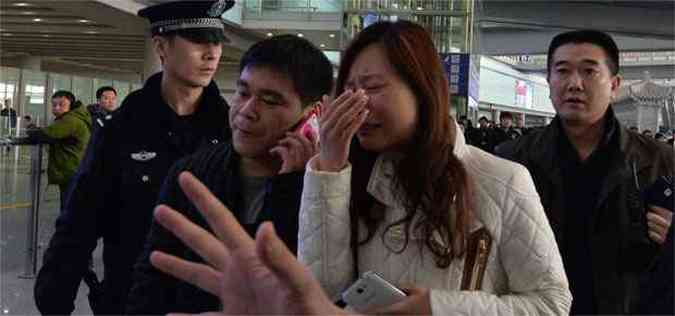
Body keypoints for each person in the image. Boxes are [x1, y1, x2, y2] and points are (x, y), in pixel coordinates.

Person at [299, 21, 570, 315]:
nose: (357, 104)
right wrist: (329, 168)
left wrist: (439, 308)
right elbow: (324, 290)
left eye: (373, 87)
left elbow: (551, 303)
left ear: (421, 88)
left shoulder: (502, 180)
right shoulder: (347, 176)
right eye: (349, 90)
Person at [33, 1, 235, 314]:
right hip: (130, 299)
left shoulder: (230, 131)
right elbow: (79, 222)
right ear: (161, 47)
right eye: (198, 41)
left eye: (217, 42)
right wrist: (54, 299)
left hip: (207, 303)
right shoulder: (123, 129)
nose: (212, 54)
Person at [126, 34, 333, 315]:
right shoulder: (193, 171)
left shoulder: (326, 186)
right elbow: (151, 280)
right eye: (243, 92)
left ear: (313, 112)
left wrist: (293, 186)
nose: (246, 111)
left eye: (271, 101)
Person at [496, 30, 674, 314]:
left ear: (614, 85)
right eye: (562, 71)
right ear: (549, 81)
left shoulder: (661, 161)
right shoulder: (511, 160)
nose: (574, 84)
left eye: (589, 72)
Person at [25, 91, 91, 211]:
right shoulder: (72, 118)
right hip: (74, 169)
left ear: (71, 105)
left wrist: (31, 130)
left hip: (71, 171)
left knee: (68, 209)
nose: (57, 108)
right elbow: (53, 132)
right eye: (54, 105)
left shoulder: (70, 120)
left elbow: (44, 135)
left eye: (61, 105)